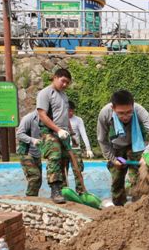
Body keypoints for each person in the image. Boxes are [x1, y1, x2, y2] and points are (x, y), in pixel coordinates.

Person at [97, 90, 149, 206]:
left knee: (138, 178)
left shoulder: (139, 110)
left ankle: (137, 206)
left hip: (136, 146)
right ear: (113, 108)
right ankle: (118, 206)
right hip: (116, 147)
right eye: (121, 113)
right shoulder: (105, 113)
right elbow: (102, 140)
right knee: (117, 179)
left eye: (129, 112)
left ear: (133, 106)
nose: (125, 116)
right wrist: (113, 159)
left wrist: (146, 153)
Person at [36, 68, 72, 204]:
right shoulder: (45, 93)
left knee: (64, 160)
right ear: (55, 77)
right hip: (50, 132)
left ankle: (63, 189)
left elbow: (65, 115)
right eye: (63, 81)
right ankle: (55, 190)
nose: (65, 85)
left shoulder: (64, 95)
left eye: (67, 83)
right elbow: (42, 115)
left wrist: (70, 132)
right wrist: (57, 130)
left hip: (63, 133)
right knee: (55, 158)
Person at [64, 100, 94, 194]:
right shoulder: (60, 119)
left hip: (75, 149)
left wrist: (88, 149)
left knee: (78, 170)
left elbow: (83, 134)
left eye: (72, 110)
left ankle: (80, 191)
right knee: (63, 171)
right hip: (64, 148)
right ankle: (64, 191)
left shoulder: (78, 120)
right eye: (69, 111)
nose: (71, 113)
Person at [16, 111, 42, 197]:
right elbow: (19, 134)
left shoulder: (46, 118)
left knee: (38, 180)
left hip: (37, 153)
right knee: (35, 176)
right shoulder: (28, 118)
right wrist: (32, 140)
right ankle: (30, 199)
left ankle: (33, 198)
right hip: (26, 152)